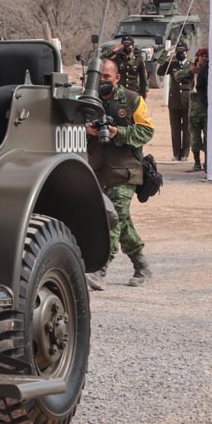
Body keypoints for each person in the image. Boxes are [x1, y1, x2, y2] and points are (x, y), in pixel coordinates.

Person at [85, 56, 154, 289]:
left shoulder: (133, 99)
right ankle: (141, 265)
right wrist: (86, 130)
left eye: (106, 76)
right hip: (97, 170)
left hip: (125, 170)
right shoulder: (86, 101)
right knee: (121, 219)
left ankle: (100, 268)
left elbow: (146, 131)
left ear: (117, 78)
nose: (101, 80)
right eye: (97, 76)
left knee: (112, 216)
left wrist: (119, 133)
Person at [157, 42, 194, 162]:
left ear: (187, 53)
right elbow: (160, 70)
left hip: (187, 100)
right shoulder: (172, 65)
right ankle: (176, 153)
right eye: (178, 52)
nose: (180, 54)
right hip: (174, 100)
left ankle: (185, 154)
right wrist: (166, 52)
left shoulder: (192, 65)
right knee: (175, 129)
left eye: (182, 52)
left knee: (188, 129)